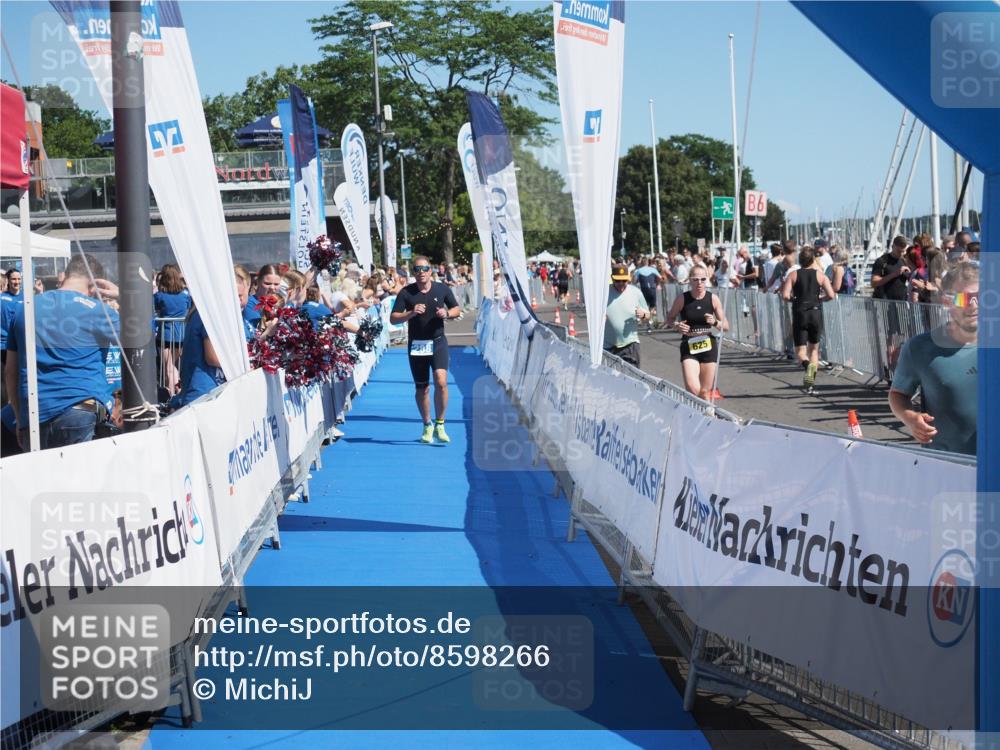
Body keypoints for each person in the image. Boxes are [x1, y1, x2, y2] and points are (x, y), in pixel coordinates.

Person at [4, 254, 120, 450]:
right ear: (95, 284)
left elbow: (10, 372)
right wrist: (123, 296)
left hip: (34, 415)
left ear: (65, 275)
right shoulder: (97, 310)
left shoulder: (25, 309)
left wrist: (19, 418)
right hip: (81, 409)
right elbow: (144, 338)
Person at [889, 262, 977, 455]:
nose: (973, 305)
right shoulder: (920, 348)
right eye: (963, 298)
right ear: (947, 301)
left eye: (980, 297)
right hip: (946, 462)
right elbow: (898, 394)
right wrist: (910, 418)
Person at [390, 256, 460, 444]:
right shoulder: (406, 292)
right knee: (422, 388)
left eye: (425, 269)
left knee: (441, 381)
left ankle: (440, 424)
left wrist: (447, 313)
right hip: (417, 345)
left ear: (431, 271)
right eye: (417, 269)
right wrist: (411, 313)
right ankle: (427, 424)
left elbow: (456, 309)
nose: (421, 272)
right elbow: (393, 318)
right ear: (413, 272)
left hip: (438, 342)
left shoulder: (442, 289)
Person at [173, 265, 258, 408]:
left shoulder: (219, 314)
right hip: (204, 395)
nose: (238, 301)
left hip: (215, 392)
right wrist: (248, 363)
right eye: (234, 296)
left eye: (241, 296)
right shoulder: (209, 315)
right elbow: (213, 357)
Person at [666, 265, 728, 399]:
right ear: (690, 280)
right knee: (693, 388)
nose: (699, 283)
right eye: (695, 279)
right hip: (689, 344)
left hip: (708, 344)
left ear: (707, 280)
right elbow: (669, 319)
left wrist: (715, 322)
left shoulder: (713, 299)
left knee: (705, 392)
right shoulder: (682, 299)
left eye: (703, 279)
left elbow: (726, 326)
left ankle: (707, 411)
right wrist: (677, 326)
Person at [782, 247, 837, 393]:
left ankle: (807, 367)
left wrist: (794, 300)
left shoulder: (793, 275)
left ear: (800, 260)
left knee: (800, 352)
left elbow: (785, 295)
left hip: (800, 313)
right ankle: (810, 384)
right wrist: (820, 299)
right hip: (815, 312)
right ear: (813, 260)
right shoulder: (820, 275)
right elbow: (831, 295)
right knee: (814, 350)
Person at [871, 235, 910, 379]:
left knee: (902, 335)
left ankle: (896, 366)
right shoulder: (882, 261)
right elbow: (874, 282)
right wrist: (894, 274)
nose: (902, 253)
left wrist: (909, 275)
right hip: (886, 302)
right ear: (893, 246)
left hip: (902, 302)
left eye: (904, 251)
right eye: (899, 251)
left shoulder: (904, 260)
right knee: (891, 337)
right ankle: (891, 369)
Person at [153, 263, 191, 395]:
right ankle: (178, 390)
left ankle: (174, 394)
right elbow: (189, 308)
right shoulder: (185, 295)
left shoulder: (159, 296)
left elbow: (155, 309)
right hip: (181, 335)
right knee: (174, 365)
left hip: (165, 335)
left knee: (169, 367)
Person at [604, 264, 651, 368]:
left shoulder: (636, 292)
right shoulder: (604, 293)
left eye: (624, 280)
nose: (621, 283)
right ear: (612, 278)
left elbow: (648, 315)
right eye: (618, 281)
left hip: (630, 344)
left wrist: (643, 315)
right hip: (608, 346)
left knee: (631, 376)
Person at [633, 258, 661, 332]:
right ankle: (650, 320)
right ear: (648, 263)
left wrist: (638, 281)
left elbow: (634, 281)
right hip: (652, 289)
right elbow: (660, 277)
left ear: (641, 263)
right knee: (652, 306)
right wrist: (657, 284)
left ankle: (647, 320)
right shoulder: (653, 269)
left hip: (644, 289)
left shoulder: (638, 270)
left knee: (645, 306)